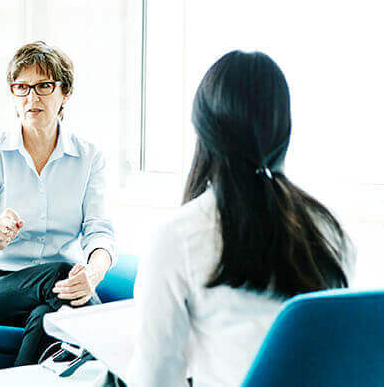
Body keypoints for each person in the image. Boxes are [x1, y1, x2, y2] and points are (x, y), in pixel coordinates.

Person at [124, 51, 354, 386]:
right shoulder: (328, 231)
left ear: (202, 131)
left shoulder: (179, 236)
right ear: (283, 130)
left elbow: (153, 378)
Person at [0, 41, 118, 366]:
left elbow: (101, 232)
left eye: (43, 86)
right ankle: (115, 356)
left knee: (47, 313)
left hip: (60, 289)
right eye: (22, 87)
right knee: (62, 275)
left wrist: (93, 274)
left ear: (64, 93)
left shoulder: (89, 157)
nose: (32, 97)